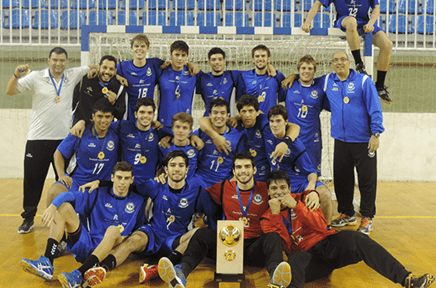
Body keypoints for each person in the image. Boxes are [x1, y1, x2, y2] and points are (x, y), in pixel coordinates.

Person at [261, 170, 435, 288]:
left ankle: (407, 279)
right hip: (309, 258)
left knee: (355, 238)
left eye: (283, 187)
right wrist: (276, 215)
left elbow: (321, 226)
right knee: (294, 262)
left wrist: (297, 207)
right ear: (268, 192)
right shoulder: (267, 218)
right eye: (274, 188)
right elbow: (285, 245)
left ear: (290, 189)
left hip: (329, 243)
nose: (279, 192)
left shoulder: (305, 198)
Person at [81, 150, 219, 286]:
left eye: (181, 165)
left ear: (187, 169)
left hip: (175, 240)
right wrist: (100, 183)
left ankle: (158, 269)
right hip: (151, 234)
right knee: (133, 240)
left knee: (197, 233)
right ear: (166, 169)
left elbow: (213, 212)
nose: (177, 169)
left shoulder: (197, 192)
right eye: (173, 165)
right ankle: (101, 269)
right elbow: (128, 186)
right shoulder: (155, 185)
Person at [157, 151, 292, 288]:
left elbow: (288, 195)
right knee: (201, 233)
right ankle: (181, 273)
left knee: (273, 237)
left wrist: (312, 193)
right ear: (233, 171)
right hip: (227, 245)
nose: (243, 171)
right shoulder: (223, 187)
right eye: (238, 167)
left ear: (254, 170)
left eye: (247, 166)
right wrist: (163, 177)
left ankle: (276, 279)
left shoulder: (265, 189)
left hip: (254, 247)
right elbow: (193, 191)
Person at [5, 46, 98, 234]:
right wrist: (15, 75)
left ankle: (67, 219)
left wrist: (116, 76)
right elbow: (10, 91)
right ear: (49, 61)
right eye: (55, 60)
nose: (58, 63)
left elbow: (97, 67)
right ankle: (28, 219)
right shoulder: (36, 77)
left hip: (63, 141)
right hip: (37, 139)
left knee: (64, 182)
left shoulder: (73, 74)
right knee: (33, 181)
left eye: (62, 60)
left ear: (66, 61)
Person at [20, 161, 147, 288]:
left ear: (132, 180)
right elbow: (68, 195)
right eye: (119, 177)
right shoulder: (96, 193)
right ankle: (47, 261)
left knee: (113, 230)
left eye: (126, 178)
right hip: (88, 244)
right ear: (112, 178)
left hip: (111, 252)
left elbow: (138, 229)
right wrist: (53, 206)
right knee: (63, 207)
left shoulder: (139, 201)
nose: (122, 182)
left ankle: (79, 274)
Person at [301, 0, 393, 104]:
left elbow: (376, 7)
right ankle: (359, 64)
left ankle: (380, 86)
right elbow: (318, 3)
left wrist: (371, 23)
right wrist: (307, 22)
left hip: (364, 23)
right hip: (345, 22)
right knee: (351, 20)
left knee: (387, 44)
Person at [324, 51, 384, 234]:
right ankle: (346, 213)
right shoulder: (328, 81)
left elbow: (375, 107)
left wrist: (376, 133)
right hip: (341, 140)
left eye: (343, 60)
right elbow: (307, 78)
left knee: (366, 181)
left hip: (364, 140)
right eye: (335, 60)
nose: (339, 63)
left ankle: (366, 218)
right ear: (332, 64)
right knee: (342, 179)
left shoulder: (363, 81)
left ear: (349, 62)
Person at [46, 98, 119, 206]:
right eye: (99, 116)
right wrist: (61, 175)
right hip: (77, 182)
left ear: (112, 118)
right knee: (54, 191)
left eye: (107, 117)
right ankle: (50, 221)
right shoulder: (79, 132)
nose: (103, 120)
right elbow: (58, 153)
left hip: (102, 185)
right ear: (93, 116)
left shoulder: (118, 132)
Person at [266, 105, 332, 222]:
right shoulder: (266, 135)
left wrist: (311, 189)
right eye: (272, 121)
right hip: (277, 185)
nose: (274, 125)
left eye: (278, 121)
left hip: (296, 184)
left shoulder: (295, 145)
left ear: (286, 122)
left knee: (325, 194)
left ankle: (327, 231)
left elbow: (311, 171)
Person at [280, 55, 329, 177]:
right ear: (298, 70)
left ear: (314, 71)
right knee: (289, 176)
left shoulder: (320, 88)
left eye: (310, 68)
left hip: (312, 140)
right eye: (303, 68)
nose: (306, 71)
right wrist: (293, 76)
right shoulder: (289, 86)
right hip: (291, 138)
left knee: (311, 175)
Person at [193, 98, 247, 188]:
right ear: (209, 115)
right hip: (201, 179)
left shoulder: (238, 136)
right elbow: (184, 139)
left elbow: (242, 161)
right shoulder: (200, 133)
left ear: (227, 116)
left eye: (222, 113)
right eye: (215, 113)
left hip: (224, 181)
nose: (219, 116)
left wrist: (233, 181)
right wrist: (192, 137)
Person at [70, 55, 126, 138]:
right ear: (98, 67)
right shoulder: (85, 80)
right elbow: (72, 104)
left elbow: (120, 115)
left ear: (115, 71)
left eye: (111, 69)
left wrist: (114, 103)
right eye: (104, 67)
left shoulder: (119, 88)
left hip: (103, 133)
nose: (107, 71)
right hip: (81, 129)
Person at [116, 34, 165, 121]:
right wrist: (118, 77)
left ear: (147, 49)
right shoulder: (122, 66)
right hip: (129, 114)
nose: (139, 49)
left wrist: (188, 64)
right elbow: (105, 70)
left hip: (147, 114)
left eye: (143, 46)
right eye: (136, 46)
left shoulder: (154, 64)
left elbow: (174, 64)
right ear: (132, 49)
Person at [119, 97, 163, 184]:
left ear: (153, 115)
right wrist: (84, 122)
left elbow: (180, 135)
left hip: (150, 183)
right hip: (128, 182)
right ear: (135, 114)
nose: (146, 116)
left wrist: (193, 137)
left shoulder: (158, 130)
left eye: (149, 113)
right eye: (142, 112)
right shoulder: (123, 126)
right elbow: (102, 123)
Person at [157, 40, 200, 128]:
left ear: (187, 56)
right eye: (177, 55)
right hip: (163, 124)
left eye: (183, 55)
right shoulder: (161, 71)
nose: (180, 58)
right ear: (170, 54)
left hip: (184, 126)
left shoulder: (193, 72)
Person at [237, 44, 285, 116]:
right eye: (257, 56)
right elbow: (240, 101)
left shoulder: (277, 75)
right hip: (252, 120)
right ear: (253, 59)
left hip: (270, 120)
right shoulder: (244, 76)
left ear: (268, 59)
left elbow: (283, 96)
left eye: (263, 56)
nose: (260, 58)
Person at [195, 47, 242, 116]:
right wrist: (190, 64)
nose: (217, 62)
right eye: (213, 60)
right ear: (209, 62)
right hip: (208, 118)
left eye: (220, 59)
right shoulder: (203, 77)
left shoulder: (232, 75)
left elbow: (253, 73)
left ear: (224, 62)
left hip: (225, 117)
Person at [159, 113, 200, 180]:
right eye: (177, 127)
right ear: (172, 128)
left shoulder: (196, 148)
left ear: (190, 130)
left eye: (185, 128)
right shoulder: (163, 147)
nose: (180, 131)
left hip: (189, 188)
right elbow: (159, 168)